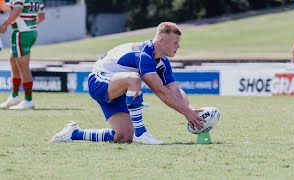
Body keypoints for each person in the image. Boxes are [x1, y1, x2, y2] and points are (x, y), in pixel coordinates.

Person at [51, 22, 206, 145]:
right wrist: (186, 113)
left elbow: (174, 88)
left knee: (124, 136)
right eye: (175, 42)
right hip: (98, 82)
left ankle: (74, 133)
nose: (178, 46)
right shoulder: (143, 55)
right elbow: (159, 90)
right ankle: (141, 134)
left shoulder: (163, 62)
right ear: (161, 41)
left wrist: (190, 109)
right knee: (134, 79)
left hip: (118, 87)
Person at [0, 0, 45, 109]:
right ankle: (14, 96)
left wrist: (5, 24)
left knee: (23, 67)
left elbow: (17, 9)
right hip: (29, 31)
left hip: (22, 33)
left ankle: (28, 100)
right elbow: (42, 16)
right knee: (13, 61)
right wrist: (31, 26)